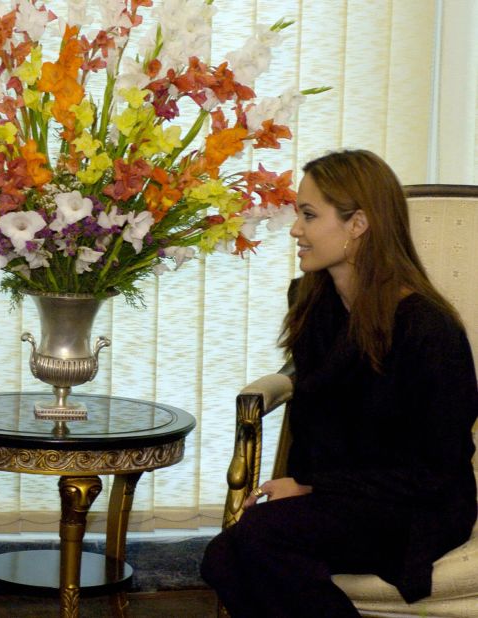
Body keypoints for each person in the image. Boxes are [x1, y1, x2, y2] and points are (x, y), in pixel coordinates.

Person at [200, 149, 478, 616]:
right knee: (224, 557)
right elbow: (318, 431)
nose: (295, 230)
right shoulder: (315, 307)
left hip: (416, 506)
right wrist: (308, 485)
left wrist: (315, 489)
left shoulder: (427, 328)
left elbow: (435, 468)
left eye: (309, 215)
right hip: (343, 497)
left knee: (257, 541)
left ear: (359, 224)